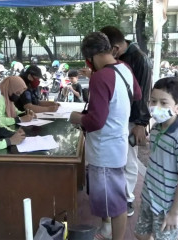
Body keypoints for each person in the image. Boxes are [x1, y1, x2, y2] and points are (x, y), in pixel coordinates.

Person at [69, 32, 141, 240]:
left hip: (104, 149)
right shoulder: (123, 68)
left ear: (89, 57)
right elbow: (136, 94)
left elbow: (96, 121)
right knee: (112, 197)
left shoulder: (101, 77)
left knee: (116, 203)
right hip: (118, 142)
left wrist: (76, 118)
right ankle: (106, 230)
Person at [101, 25, 153, 217]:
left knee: (129, 159)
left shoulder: (139, 59)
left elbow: (143, 93)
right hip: (119, 118)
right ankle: (119, 195)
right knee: (119, 159)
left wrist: (140, 124)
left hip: (132, 120)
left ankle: (127, 199)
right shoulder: (121, 57)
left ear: (114, 48)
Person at [134, 77, 178, 240]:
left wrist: (174, 212)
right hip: (149, 197)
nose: (155, 107)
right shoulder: (156, 127)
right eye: (153, 101)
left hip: (167, 206)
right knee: (140, 234)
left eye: (163, 103)